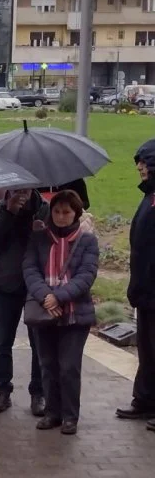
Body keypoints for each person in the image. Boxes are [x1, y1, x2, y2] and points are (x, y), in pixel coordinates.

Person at [23, 190, 98, 436]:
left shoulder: (87, 240)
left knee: (68, 367)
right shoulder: (39, 237)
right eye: (56, 211)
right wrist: (46, 296)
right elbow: (30, 269)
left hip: (75, 315)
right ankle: (52, 413)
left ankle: (69, 416)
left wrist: (60, 296)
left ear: (76, 212)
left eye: (66, 212)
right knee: (47, 364)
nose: (61, 217)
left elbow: (86, 275)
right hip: (45, 313)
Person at [0, 188, 48, 416]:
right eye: (17, 188)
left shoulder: (44, 210)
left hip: (36, 285)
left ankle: (39, 393)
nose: (22, 192)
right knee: (2, 340)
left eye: (26, 187)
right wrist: (7, 213)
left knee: (39, 342)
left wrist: (41, 233)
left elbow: (58, 243)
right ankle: (2, 391)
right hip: (6, 283)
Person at [116, 140, 155, 427]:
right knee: (148, 350)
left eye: (145, 161)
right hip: (145, 291)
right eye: (138, 162)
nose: (140, 167)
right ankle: (144, 401)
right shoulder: (149, 197)